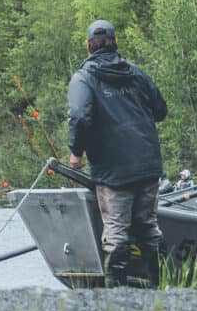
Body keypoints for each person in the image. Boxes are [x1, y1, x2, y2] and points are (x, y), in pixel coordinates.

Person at [66, 18, 170, 286]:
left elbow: (79, 116)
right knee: (148, 227)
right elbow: (160, 110)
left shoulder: (83, 78)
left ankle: (117, 296)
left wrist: (76, 152)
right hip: (147, 164)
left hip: (113, 171)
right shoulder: (136, 74)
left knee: (115, 232)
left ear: (89, 46)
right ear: (114, 43)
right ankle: (162, 288)